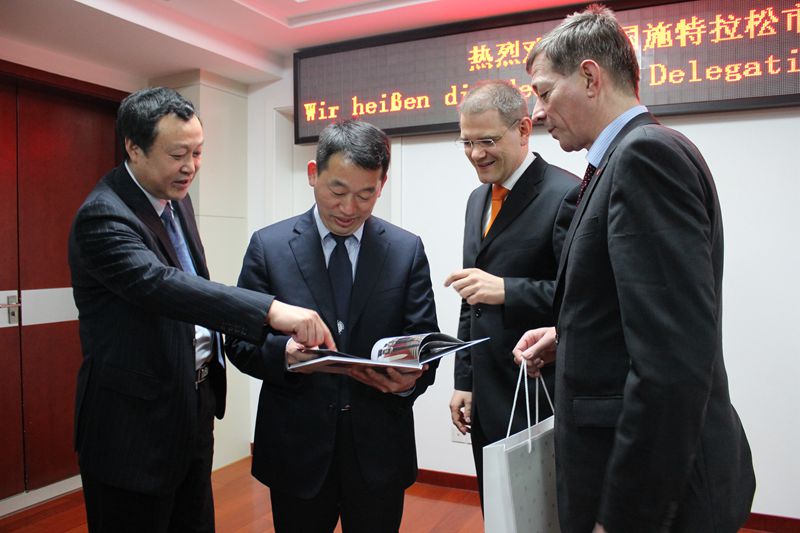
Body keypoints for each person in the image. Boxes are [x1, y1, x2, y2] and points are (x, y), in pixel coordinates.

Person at [514, 5, 756, 532]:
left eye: (544, 92)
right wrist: (568, 335)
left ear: (590, 77)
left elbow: (671, 366)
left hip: (656, 498)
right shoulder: (625, 158)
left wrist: (625, 518)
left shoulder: (644, 157)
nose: (538, 111)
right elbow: (636, 314)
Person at [68, 87, 334, 533]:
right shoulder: (103, 216)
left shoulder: (176, 200)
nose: (190, 166)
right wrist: (270, 310)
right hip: (132, 424)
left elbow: (192, 286)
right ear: (134, 148)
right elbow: (161, 285)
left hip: (192, 406)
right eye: (178, 154)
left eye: (198, 152)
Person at [225, 119, 439, 533]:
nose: (349, 209)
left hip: (378, 448)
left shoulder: (405, 249)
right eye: (337, 191)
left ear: (382, 185)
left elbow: (424, 341)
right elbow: (238, 340)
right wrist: (284, 355)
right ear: (313, 174)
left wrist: (408, 382)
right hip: (296, 449)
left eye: (365, 194)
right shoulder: (269, 246)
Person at [444, 80, 578, 505]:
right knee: (498, 510)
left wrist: (507, 290)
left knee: (541, 512)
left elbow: (581, 296)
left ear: (523, 129)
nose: (475, 154)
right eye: (467, 142)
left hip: (538, 389)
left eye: (487, 141)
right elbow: (471, 297)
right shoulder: (476, 199)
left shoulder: (566, 193)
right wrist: (464, 380)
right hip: (486, 394)